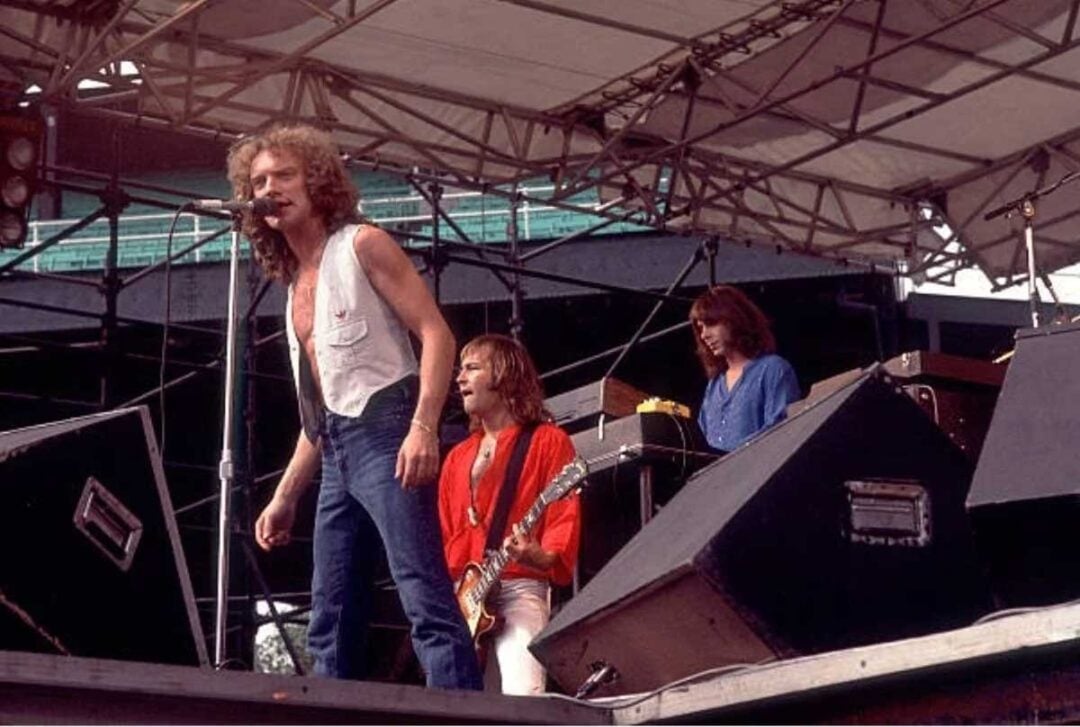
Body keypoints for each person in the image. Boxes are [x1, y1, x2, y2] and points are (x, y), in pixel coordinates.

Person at [231, 124, 481, 689]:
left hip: (387, 427)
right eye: (260, 181)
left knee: (422, 591)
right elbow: (318, 414)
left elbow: (437, 335)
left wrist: (424, 428)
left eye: (284, 175)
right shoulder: (293, 286)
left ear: (317, 181)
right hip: (338, 447)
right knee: (331, 609)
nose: (271, 188)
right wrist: (285, 495)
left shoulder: (362, 243)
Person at [438, 334, 581, 695]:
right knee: (452, 707)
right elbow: (444, 530)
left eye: (472, 368)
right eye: (460, 370)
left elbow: (564, 512)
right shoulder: (456, 457)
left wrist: (542, 555)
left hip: (520, 585)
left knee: (524, 695)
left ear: (503, 375)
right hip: (463, 595)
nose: (459, 378)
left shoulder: (548, 441)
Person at [689, 285, 801, 452]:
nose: (704, 335)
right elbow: (701, 446)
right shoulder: (714, 386)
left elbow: (779, 432)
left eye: (711, 323)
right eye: (700, 327)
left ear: (735, 319)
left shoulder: (773, 369)